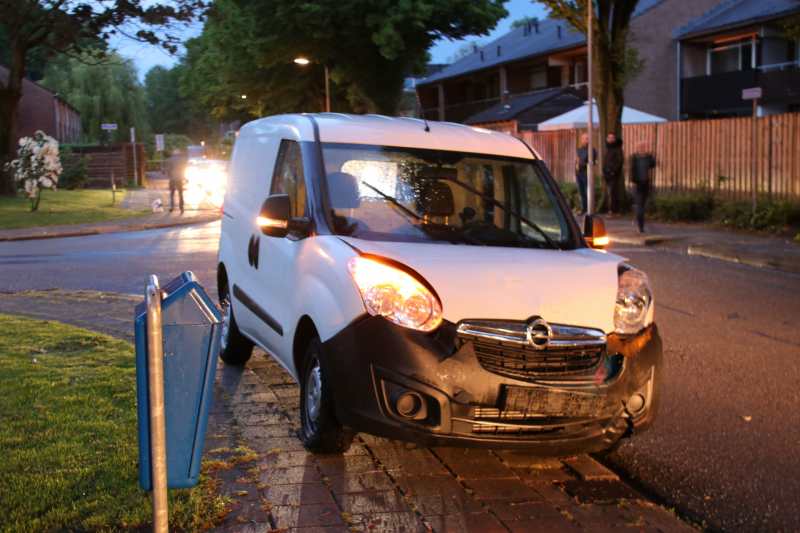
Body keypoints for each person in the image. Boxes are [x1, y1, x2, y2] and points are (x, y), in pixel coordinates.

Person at [630, 141, 656, 233]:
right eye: (640, 147)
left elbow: (652, 165)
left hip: (646, 184)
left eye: (643, 147)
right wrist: (634, 180)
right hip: (638, 185)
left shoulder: (647, 157)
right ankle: (641, 226)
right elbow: (632, 170)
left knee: (643, 205)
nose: (642, 149)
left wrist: (651, 156)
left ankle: (642, 223)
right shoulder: (635, 158)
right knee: (640, 207)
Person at [602, 133, 624, 218]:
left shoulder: (617, 148)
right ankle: (612, 210)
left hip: (613, 174)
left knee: (612, 191)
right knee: (611, 191)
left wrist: (613, 171)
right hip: (607, 173)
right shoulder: (608, 148)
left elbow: (619, 161)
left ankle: (614, 211)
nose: (611, 139)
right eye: (609, 137)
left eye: (612, 137)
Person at [575, 133, 596, 215]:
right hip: (579, 173)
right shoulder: (579, 150)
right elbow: (577, 160)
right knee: (581, 192)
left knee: (588, 192)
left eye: (587, 138)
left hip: (586, 173)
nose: (585, 140)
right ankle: (583, 209)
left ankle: (589, 209)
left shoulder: (592, 150)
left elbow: (593, 162)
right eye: (583, 138)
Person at [165, 149, 187, 213]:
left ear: (173, 153)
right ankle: (182, 208)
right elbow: (185, 168)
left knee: (172, 194)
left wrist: (170, 176)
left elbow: (168, 169)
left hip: (172, 179)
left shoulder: (170, 159)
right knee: (181, 194)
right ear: (179, 153)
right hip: (180, 179)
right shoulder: (183, 159)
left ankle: (172, 207)